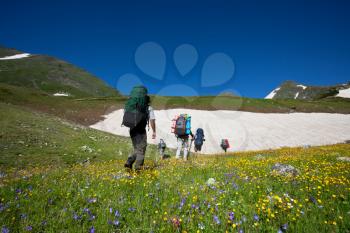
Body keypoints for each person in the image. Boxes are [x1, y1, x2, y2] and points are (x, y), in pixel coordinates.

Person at [123, 86, 156, 170]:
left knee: (137, 148)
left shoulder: (130, 105)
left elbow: (126, 113)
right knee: (142, 147)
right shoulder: (148, 108)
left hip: (132, 128)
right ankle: (135, 165)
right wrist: (154, 131)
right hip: (141, 129)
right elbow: (152, 120)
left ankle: (130, 167)